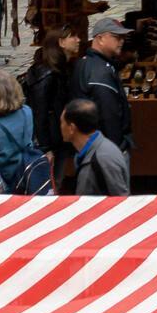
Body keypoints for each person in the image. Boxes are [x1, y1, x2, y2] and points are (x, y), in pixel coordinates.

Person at [68, 17, 133, 155]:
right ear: (100, 38)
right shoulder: (100, 73)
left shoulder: (85, 62)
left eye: (123, 37)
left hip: (90, 145)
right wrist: (117, 149)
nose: (122, 41)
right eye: (117, 37)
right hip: (104, 149)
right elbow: (109, 115)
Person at [62, 98, 131, 195]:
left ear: (72, 128)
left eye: (62, 122)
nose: (60, 126)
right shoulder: (84, 154)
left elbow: (120, 201)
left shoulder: (104, 159)